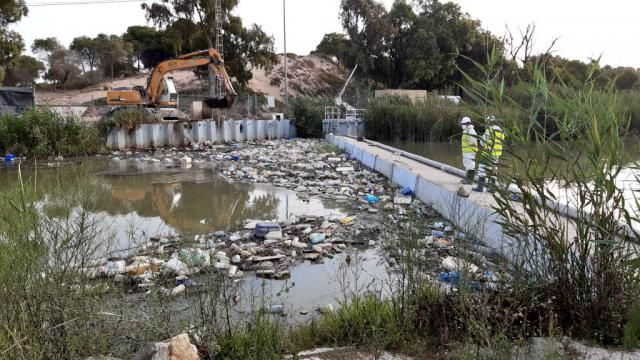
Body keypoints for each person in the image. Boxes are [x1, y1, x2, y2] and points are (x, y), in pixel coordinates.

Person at [473, 115, 504, 193]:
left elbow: (482, 142)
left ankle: (480, 187)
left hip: (487, 154)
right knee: (493, 170)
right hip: (496, 154)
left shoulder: (489, 130)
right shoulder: (501, 131)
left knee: (481, 170)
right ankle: (493, 189)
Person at [460, 116, 478, 185]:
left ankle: (470, 181)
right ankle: (467, 179)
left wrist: (471, 149)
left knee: (471, 166)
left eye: (463, 124)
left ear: (467, 124)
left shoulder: (471, 131)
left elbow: (473, 140)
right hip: (466, 152)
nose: (462, 126)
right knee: (467, 166)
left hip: (470, 152)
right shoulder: (466, 131)